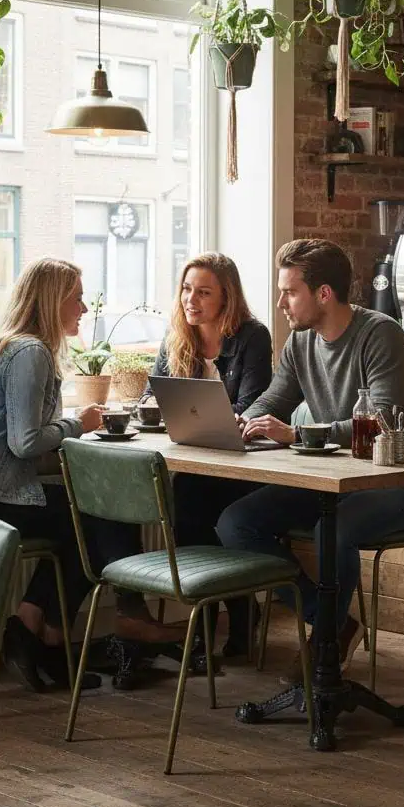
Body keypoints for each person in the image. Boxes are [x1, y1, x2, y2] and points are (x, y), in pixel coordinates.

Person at [0, 257, 182, 693]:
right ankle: (47, 634)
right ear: (53, 302)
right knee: (95, 521)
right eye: (77, 298)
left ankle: (40, 633)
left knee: (85, 522)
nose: (84, 308)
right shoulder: (30, 352)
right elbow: (25, 443)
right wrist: (80, 424)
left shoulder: (8, 344)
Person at [215, 238, 404, 682]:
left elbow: (384, 419)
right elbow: (274, 399)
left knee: (330, 531)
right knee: (236, 524)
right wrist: (238, 422)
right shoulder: (300, 342)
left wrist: (295, 434)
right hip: (328, 480)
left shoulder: (380, 334)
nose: (280, 303)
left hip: (395, 483)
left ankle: (325, 640)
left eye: (289, 292)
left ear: (324, 294)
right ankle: (331, 622)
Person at [140, 252, 273, 656]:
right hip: (195, 460)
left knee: (206, 503)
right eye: (186, 289)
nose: (190, 300)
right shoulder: (176, 335)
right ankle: (214, 618)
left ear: (226, 297)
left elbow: (253, 404)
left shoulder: (252, 336)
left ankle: (235, 616)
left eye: (203, 292)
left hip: (244, 464)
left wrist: (221, 419)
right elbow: (153, 393)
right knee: (188, 499)